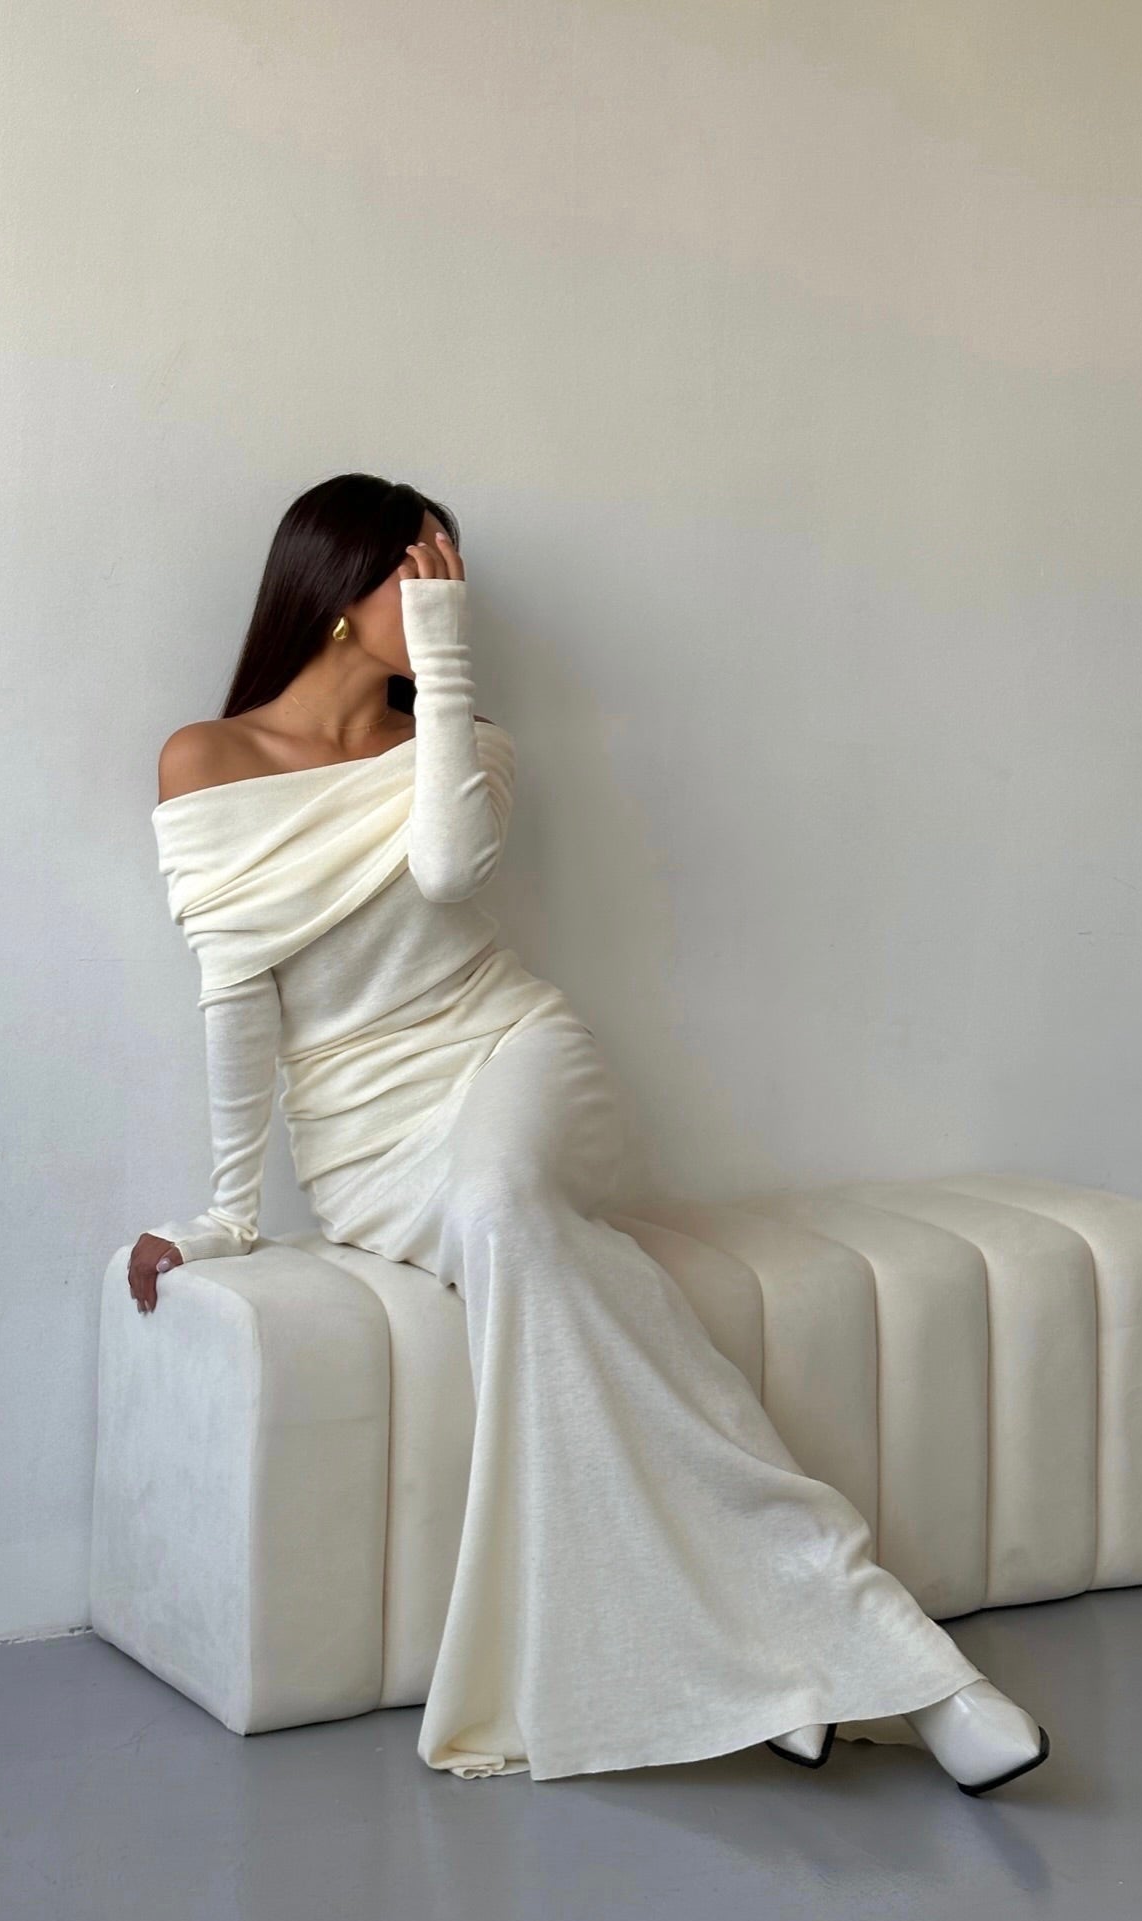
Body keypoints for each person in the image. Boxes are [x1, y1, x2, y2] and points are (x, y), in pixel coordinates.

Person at [128, 472, 1051, 1796]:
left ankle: (910, 1665)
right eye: (422, 578)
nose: (452, 602)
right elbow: (233, 1002)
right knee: (555, 1272)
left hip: (509, 1055)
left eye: (459, 581)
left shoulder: (469, 742)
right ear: (338, 592)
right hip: (363, 1135)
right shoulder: (202, 761)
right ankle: (793, 1659)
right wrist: (227, 1211)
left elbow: (447, 871)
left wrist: (438, 664)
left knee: (509, 1221)